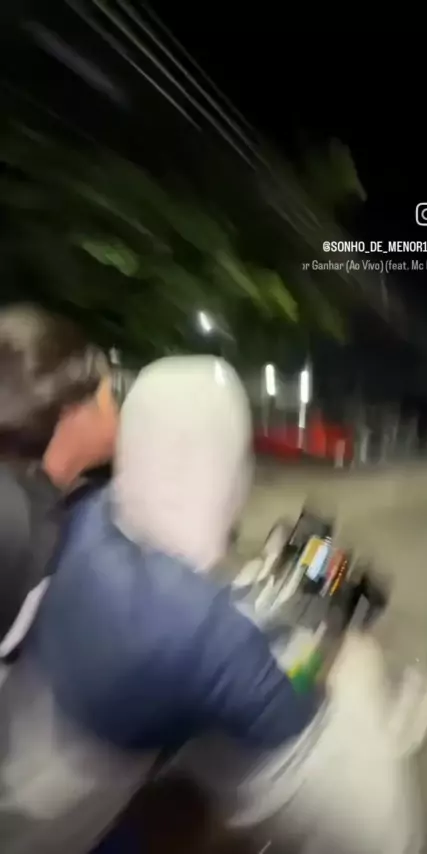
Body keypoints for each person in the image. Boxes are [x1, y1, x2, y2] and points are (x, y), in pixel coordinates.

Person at [0, 355, 317, 854]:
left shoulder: (83, 515)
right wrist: (320, 651)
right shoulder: (206, 631)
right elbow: (290, 704)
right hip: (59, 831)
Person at [0, 303, 119, 662]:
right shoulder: (14, 517)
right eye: (109, 394)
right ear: (74, 412)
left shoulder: (29, 496)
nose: (118, 409)